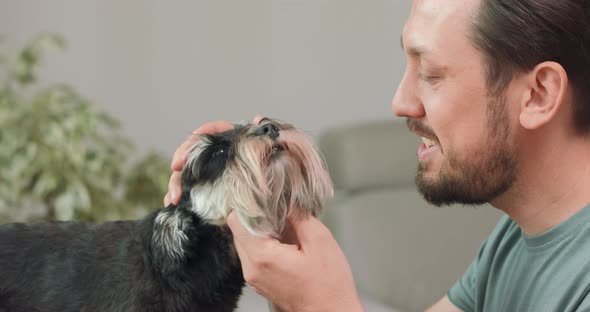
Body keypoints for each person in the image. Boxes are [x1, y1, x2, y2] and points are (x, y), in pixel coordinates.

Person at [164, 0, 590, 311]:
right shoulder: (515, 242)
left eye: (430, 74)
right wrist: (287, 251)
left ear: (538, 95)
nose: (400, 102)